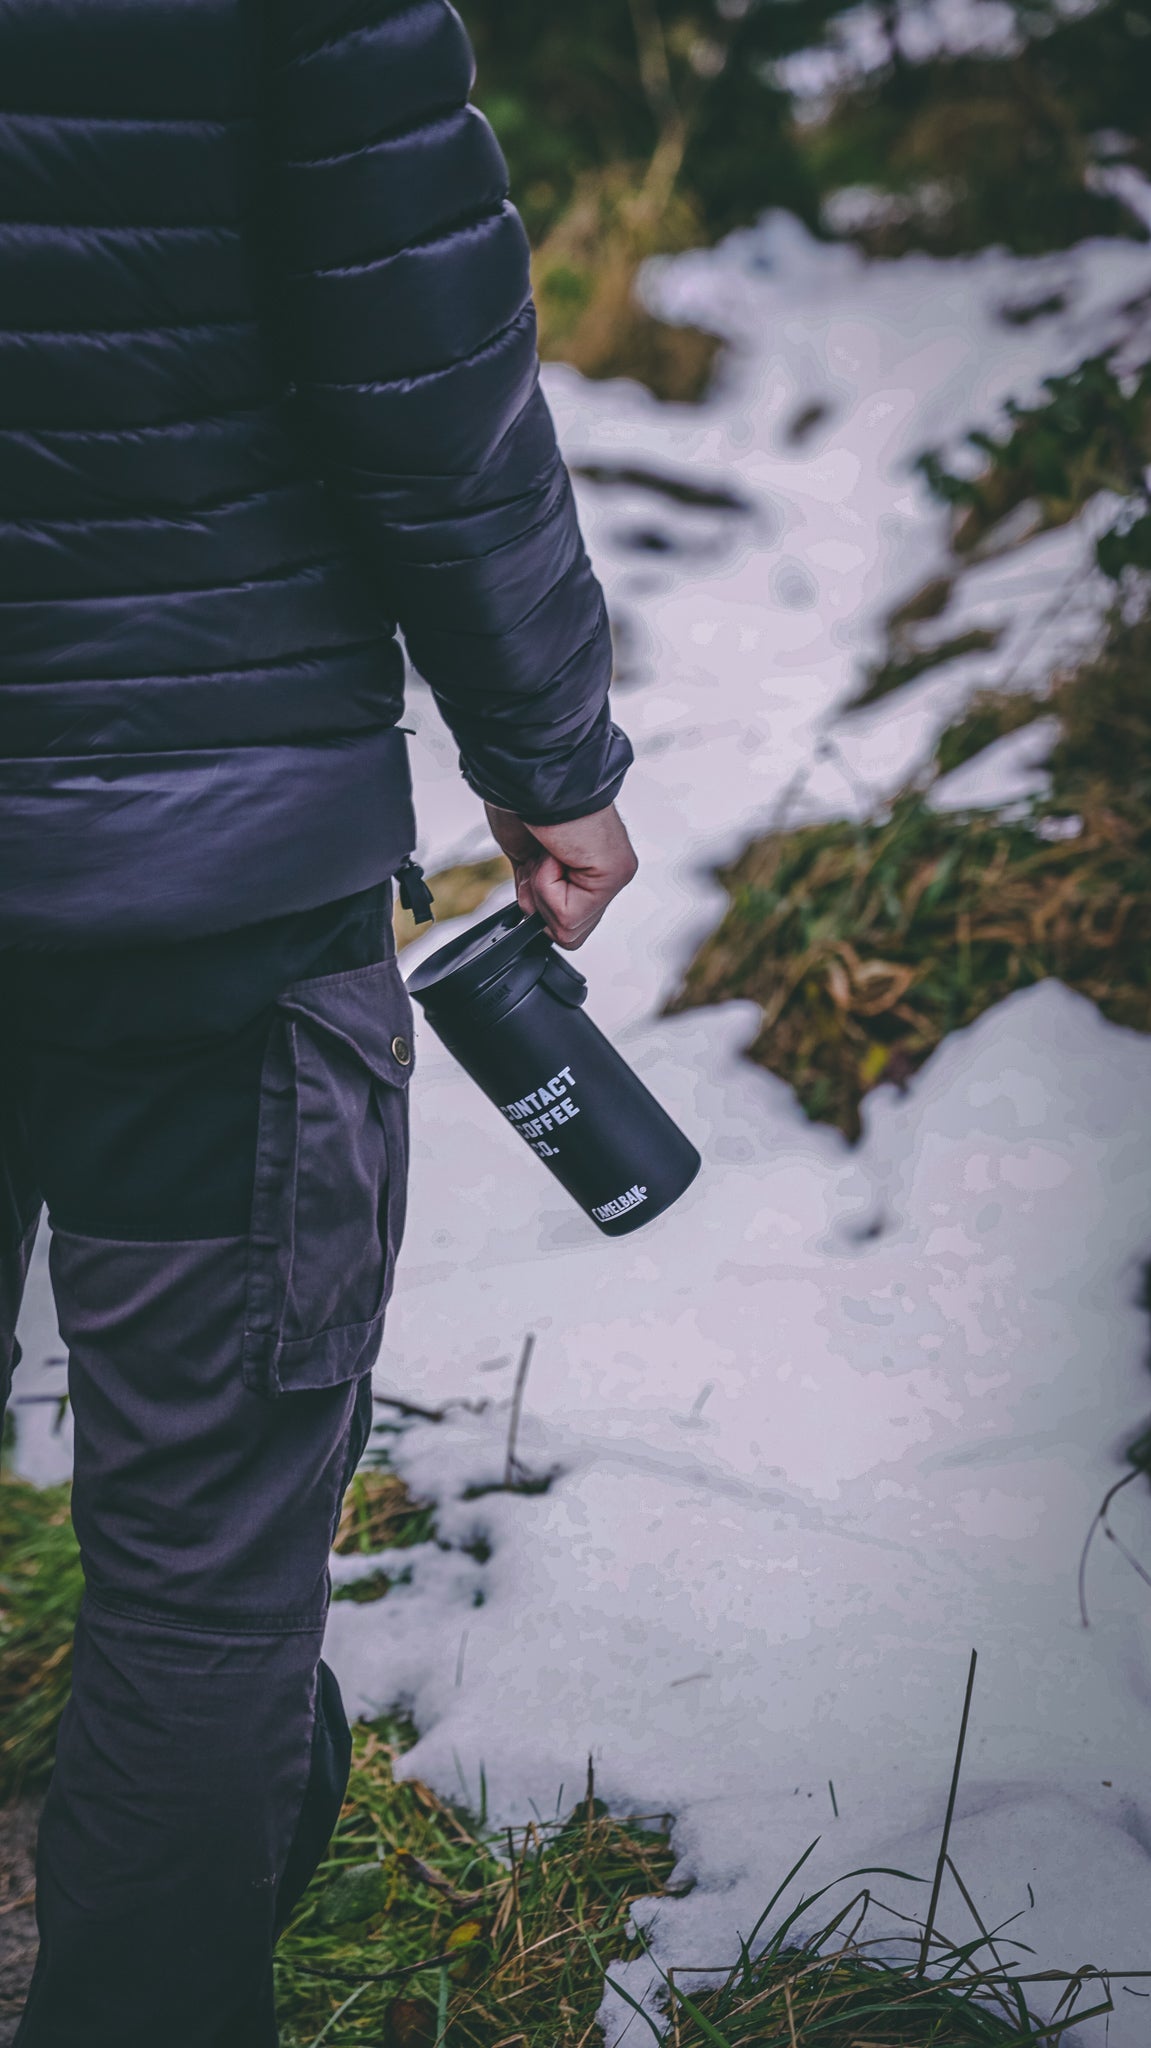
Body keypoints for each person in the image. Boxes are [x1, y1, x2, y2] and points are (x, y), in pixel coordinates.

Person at [0, 1, 636, 2040]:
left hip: (209, 866)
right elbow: (423, 360)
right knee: (202, 1565)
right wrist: (545, 742)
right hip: (210, 877)